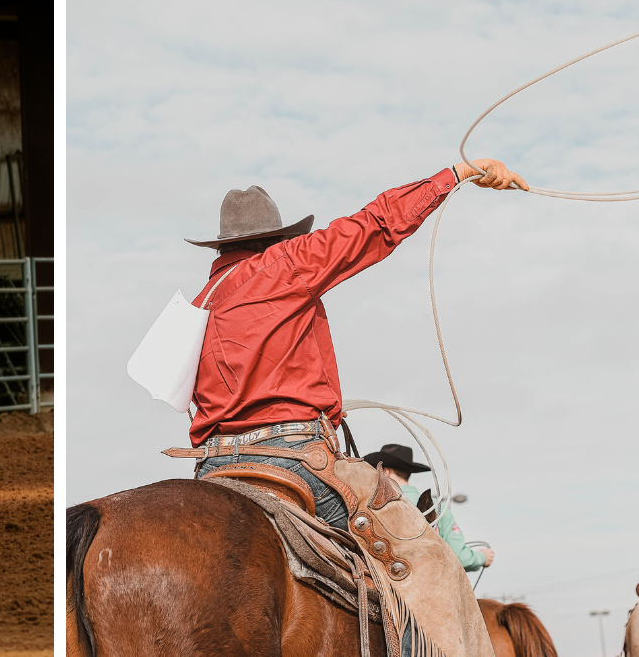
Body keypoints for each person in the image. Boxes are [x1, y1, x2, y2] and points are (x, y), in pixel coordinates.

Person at [165, 158, 527, 654]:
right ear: (275, 237)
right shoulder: (286, 263)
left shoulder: (202, 300)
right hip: (296, 459)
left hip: (214, 468)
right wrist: (458, 174)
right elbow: (375, 224)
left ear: (223, 245)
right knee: (429, 559)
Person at [363, 443, 495, 572]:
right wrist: (482, 557)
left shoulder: (371, 506)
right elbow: (460, 558)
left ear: (386, 472)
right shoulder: (439, 507)